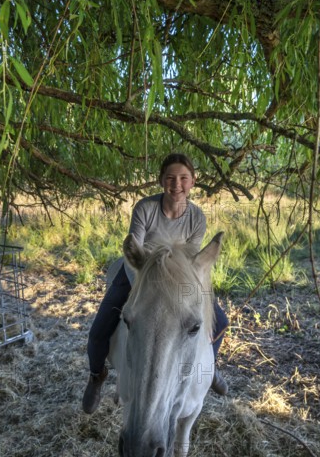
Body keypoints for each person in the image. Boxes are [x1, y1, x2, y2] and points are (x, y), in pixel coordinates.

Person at [82, 153, 229, 414]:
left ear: (193, 181)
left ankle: (210, 368)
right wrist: (145, 286)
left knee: (219, 322)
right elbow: (134, 252)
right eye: (170, 178)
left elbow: (191, 261)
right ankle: (96, 376)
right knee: (97, 332)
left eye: (184, 178)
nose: (177, 184)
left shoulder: (197, 217)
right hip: (139, 273)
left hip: (177, 279)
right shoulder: (145, 208)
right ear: (161, 180)